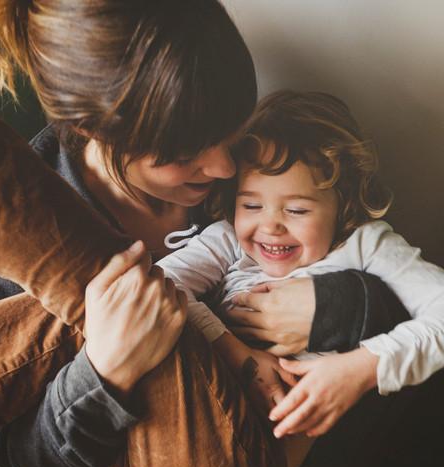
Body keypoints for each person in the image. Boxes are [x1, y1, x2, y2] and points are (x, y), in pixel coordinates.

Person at [0, 3, 407, 467]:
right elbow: (21, 455)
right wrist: (104, 372)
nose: (224, 168)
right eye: (184, 154)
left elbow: (394, 280)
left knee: (100, 278)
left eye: (230, 133)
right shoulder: (2, 264)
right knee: (105, 285)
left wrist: (334, 306)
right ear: (92, 131)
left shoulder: (248, 174)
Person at [157, 89, 444, 439]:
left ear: (343, 203)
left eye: (296, 210)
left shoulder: (364, 243)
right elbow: (160, 283)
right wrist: (236, 353)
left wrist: (362, 368)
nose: (270, 226)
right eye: (251, 206)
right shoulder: (227, 238)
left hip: (307, 432)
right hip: (207, 405)